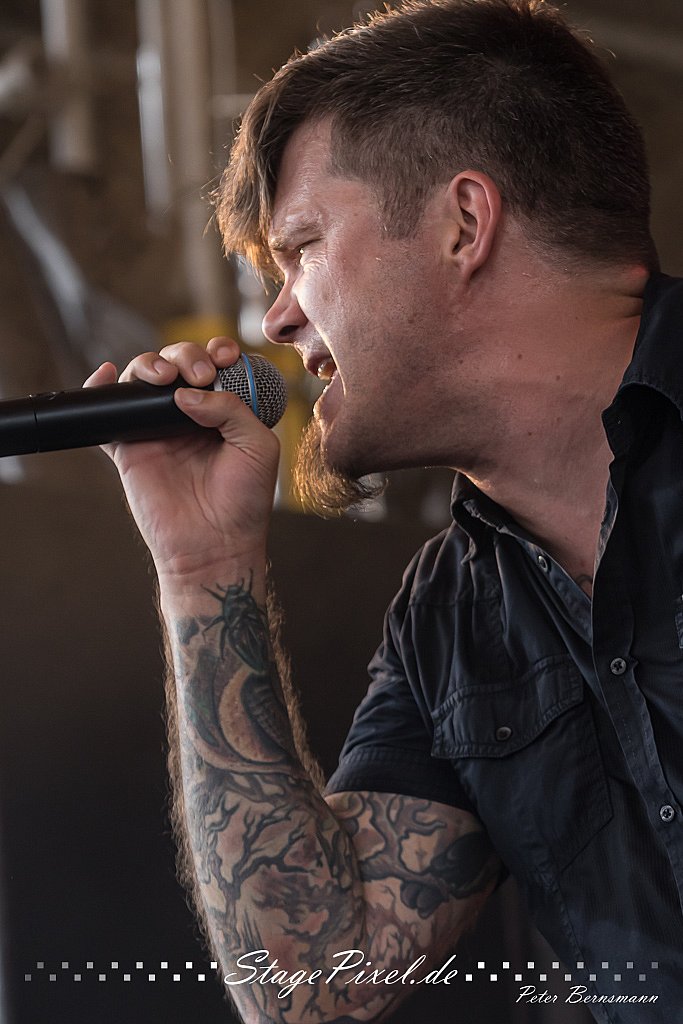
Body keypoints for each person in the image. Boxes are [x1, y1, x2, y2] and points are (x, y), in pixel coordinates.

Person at [84, 0, 683, 1020]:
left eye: (303, 247)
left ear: (462, 224)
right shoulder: (451, 618)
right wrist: (204, 567)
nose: (276, 318)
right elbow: (311, 989)